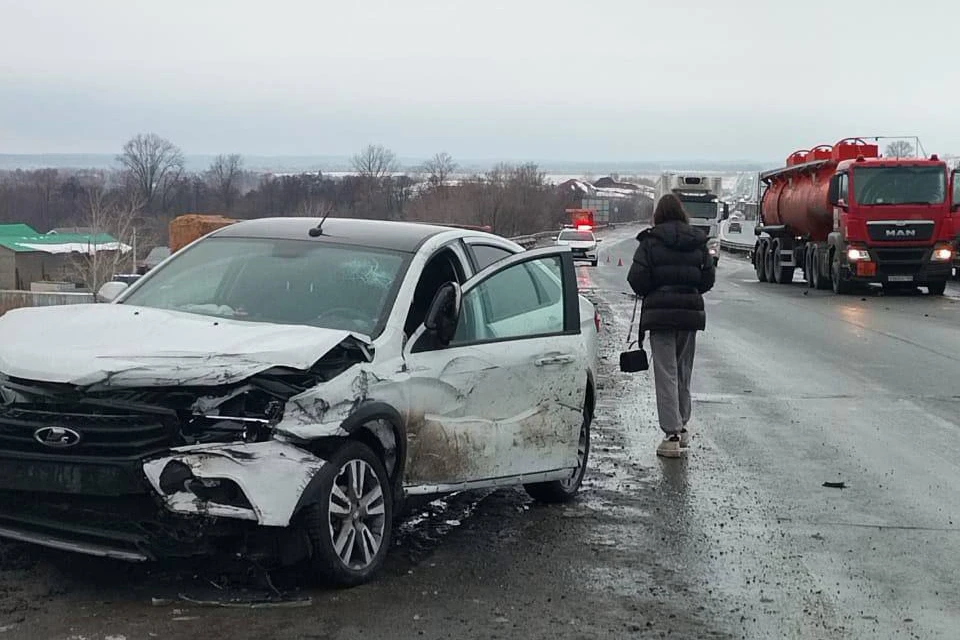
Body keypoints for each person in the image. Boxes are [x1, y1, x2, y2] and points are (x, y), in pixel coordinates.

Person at [627, 194, 716, 458]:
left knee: (666, 373)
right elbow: (707, 278)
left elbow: (637, 279)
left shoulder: (650, 242)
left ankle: (672, 434)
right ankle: (683, 425)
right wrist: (690, 290)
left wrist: (654, 290)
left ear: (659, 214)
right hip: (689, 315)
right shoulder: (697, 241)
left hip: (661, 316)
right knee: (683, 370)